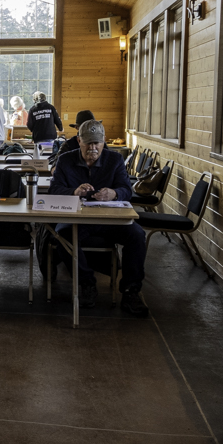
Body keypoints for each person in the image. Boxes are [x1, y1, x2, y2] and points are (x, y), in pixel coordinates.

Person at [47, 120, 148, 316]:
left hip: (110, 219)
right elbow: (54, 190)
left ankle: (131, 290)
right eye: (88, 143)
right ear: (79, 141)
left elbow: (127, 190)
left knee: (136, 235)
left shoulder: (115, 160)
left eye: (97, 143)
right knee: (62, 235)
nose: (92, 148)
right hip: (77, 220)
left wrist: (114, 193)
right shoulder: (66, 160)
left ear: (104, 142)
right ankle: (86, 283)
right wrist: (74, 192)